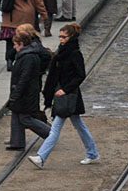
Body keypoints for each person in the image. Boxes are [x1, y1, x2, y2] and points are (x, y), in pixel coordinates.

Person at [28, 23, 99, 168]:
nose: (61, 39)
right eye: (60, 36)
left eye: (64, 37)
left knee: (56, 128)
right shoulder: (62, 51)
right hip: (63, 95)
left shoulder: (74, 53)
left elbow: (80, 75)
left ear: (71, 37)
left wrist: (65, 90)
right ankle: (92, 153)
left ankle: (41, 157)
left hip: (68, 96)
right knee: (80, 126)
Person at [5, 26, 51, 151]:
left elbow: (24, 78)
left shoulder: (28, 57)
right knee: (16, 114)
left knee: (25, 117)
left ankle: (50, 133)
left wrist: (15, 95)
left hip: (26, 93)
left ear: (21, 44)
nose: (14, 47)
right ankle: (17, 142)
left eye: (15, 44)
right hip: (24, 91)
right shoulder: (25, 54)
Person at [0, 0, 48, 72]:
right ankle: (22, 60)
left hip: (9, 17)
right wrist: (44, 15)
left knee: (10, 41)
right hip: (27, 17)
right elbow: (39, 1)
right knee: (25, 39)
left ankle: (9, 61)